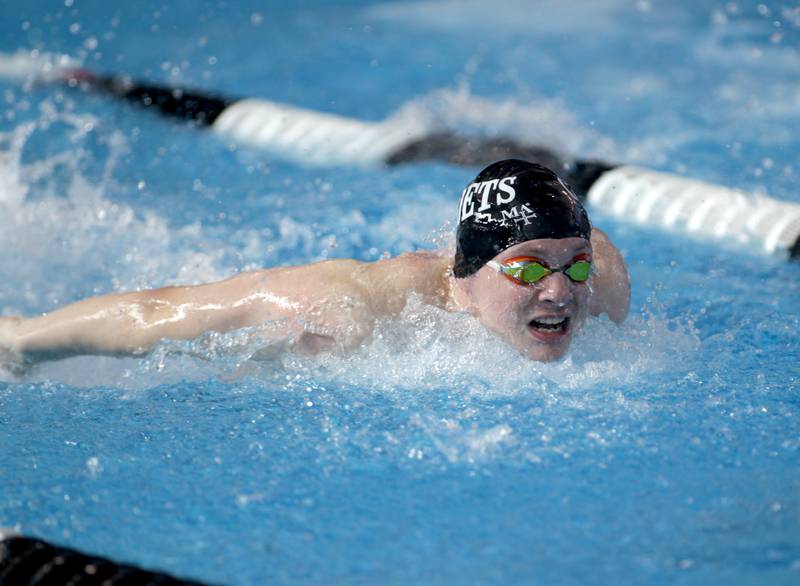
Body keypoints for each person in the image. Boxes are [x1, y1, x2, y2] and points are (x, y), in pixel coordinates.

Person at [0, 159, 630, 372]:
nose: (559, 292)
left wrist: (556, 256)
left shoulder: (604, 287)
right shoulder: (354, 306)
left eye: (572, 267)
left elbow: (575, 245)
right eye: (525, 269)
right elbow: (157, 312)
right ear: (465, 276)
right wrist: (22, 340)